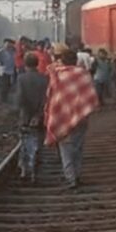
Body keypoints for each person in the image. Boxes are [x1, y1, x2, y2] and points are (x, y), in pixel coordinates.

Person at [44, 48, 99, 189]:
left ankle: (71, 178)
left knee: (66, 148)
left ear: (62, 60)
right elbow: (90, 94)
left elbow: (51, 95)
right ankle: (77, 175)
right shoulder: (83, 74)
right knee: (78, 147)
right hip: (81, 117)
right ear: (76, 61)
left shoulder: (57, 75)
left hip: (62, 116)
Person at [15, 52, 49, 184]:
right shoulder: (44, 79)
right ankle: (34, 171)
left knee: (24, 143)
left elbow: (20, 99)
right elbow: (46, 99)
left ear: (25, 63)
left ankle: (25, 171)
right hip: (40, 117)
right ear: (37, 63)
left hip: (25, 117)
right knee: (37, 143)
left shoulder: (21, 79)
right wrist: (38, 115)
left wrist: (24, 114)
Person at [0, 39, 16, 103]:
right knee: (4, 86)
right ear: (4, 44)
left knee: (8, 86)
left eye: (10, 43)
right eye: (7, 43)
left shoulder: (13, 51)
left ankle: (6, 98)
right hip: (4, 71)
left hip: (11, 71)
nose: (8, 45)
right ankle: (2, 100)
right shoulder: (1, 51)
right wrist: (0, 62)